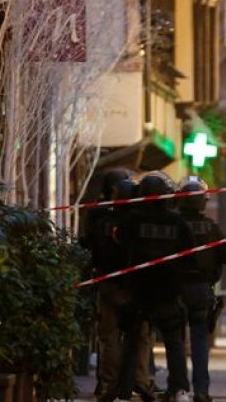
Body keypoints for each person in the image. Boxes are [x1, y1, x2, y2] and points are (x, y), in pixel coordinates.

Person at [117, 172, 194, 402]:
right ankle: (179, 389)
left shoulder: (133, 220)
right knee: (173, 342)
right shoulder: (177, 222)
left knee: (132, 342)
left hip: (140, 289)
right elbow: (189, 255)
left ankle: (124, 391)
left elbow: (121, 242)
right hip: (168, 290)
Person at [84, 171, 156, 402]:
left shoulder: (101, 220)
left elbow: (90, 247)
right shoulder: (139, 223)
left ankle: (108, 384)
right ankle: (141, 380)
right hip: (137, 287)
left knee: (109, 337)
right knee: (142, 336)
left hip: (108, 284)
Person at [176, 177, 226, 402]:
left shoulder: (175, 225)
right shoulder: (212, 227)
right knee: (200, 340)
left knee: (176, 341)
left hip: (177, 289)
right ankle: (201, 390)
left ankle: (179, 389)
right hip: (202, 289)